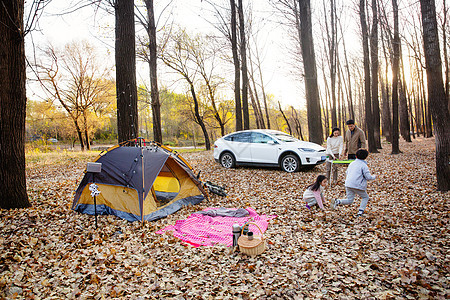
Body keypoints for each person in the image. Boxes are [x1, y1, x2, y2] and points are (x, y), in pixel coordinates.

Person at [330, 149, 376, 217]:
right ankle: (360, 212)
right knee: (365, 197)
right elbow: (368, 177)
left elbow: (347, 172)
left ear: (356, 156)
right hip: (357, 185)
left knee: (350, 200)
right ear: (366, 157)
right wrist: (374, 177)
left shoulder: (352, 163)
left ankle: (337, 201)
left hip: (348, 184)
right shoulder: (364, 166)